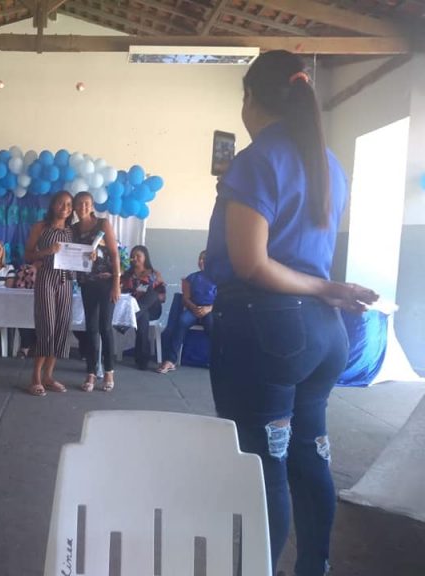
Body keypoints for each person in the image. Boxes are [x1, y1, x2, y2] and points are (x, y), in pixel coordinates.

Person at [204, 50, 378, 576]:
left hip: (269, 329)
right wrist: (324, 289)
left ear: (250, 98)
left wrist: (323, 285)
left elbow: (252, 263)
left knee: (264, 469)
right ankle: (314, 567)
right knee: (311, 454)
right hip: (323, 333)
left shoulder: (257, 160)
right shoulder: (328, 164)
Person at [24, 190, 74, 396]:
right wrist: (46, 251)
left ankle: (49, 376)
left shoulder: (73, 231)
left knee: (61, 327)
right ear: (53, 205)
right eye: (61, 203)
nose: (65, 208)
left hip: (66, 281)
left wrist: (92, 256)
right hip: (46, 278)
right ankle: (35, 377)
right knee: (46, 326)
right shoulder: (41, 227)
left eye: (69, 204)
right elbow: (28, 254)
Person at [72, 192, 120, 392]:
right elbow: (72, 254)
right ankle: (91, 372)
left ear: (92, 206)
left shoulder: (103, 224)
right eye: (79, 204)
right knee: (90, 328)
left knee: (105, 327)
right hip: (86, 283)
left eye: (86, 203)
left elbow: (115, 253)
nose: (83, 207)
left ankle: (109, 371)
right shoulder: (73, 229)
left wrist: (116, 282)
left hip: (106, 282)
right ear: (74, 207)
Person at [157, 250, 216, 373]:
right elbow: (185, 299)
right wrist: (194, 307)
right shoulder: (191, 278)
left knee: (212, 324)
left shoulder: (218, 279)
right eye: (200, 258)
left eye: (204, 259)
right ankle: (170, 360)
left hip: (210, 310)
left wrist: (208, 309)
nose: (201, 261)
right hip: (193, 309)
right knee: (182, 320)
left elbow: (222, 300)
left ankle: (216, 360)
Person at [120, 245, 166, 370]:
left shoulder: (154, 274)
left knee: (152, 294)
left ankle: (128, 321)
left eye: (138, 256)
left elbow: (162, 297)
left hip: (153, 309)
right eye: (133, 256)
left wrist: (147, 295)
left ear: (145, 257)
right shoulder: (127, 275)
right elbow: (123, 294)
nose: (135, 258)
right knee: (143, 316)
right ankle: (142, 360)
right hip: (136, 308)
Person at [13, 263, 37, 358]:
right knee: (24, 311)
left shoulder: (55, 269)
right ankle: (26, 346)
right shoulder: (25, 269)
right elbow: (20, 288)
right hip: (26, 303)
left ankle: (39, 346)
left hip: (48, 303)